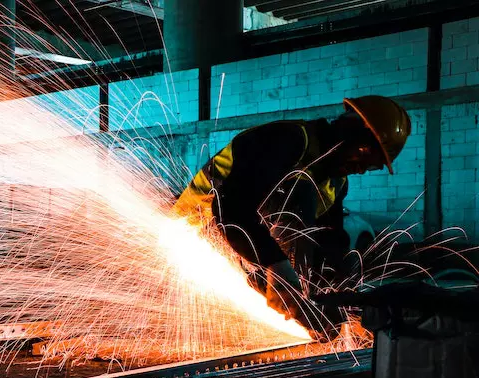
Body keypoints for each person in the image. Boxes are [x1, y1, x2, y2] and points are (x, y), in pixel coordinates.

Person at [173, 95, 411, 334]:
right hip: (195, 233)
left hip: (240, 242)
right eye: (364, 155)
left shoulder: (336, 183)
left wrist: (338, 301)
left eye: (371, 166)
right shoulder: (287, 140)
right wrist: (276, 267)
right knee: (299, 190)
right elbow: (231, 209)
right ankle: (266, 277)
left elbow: (329, 243)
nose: (361, 168)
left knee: (326, 311)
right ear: (348, 130)